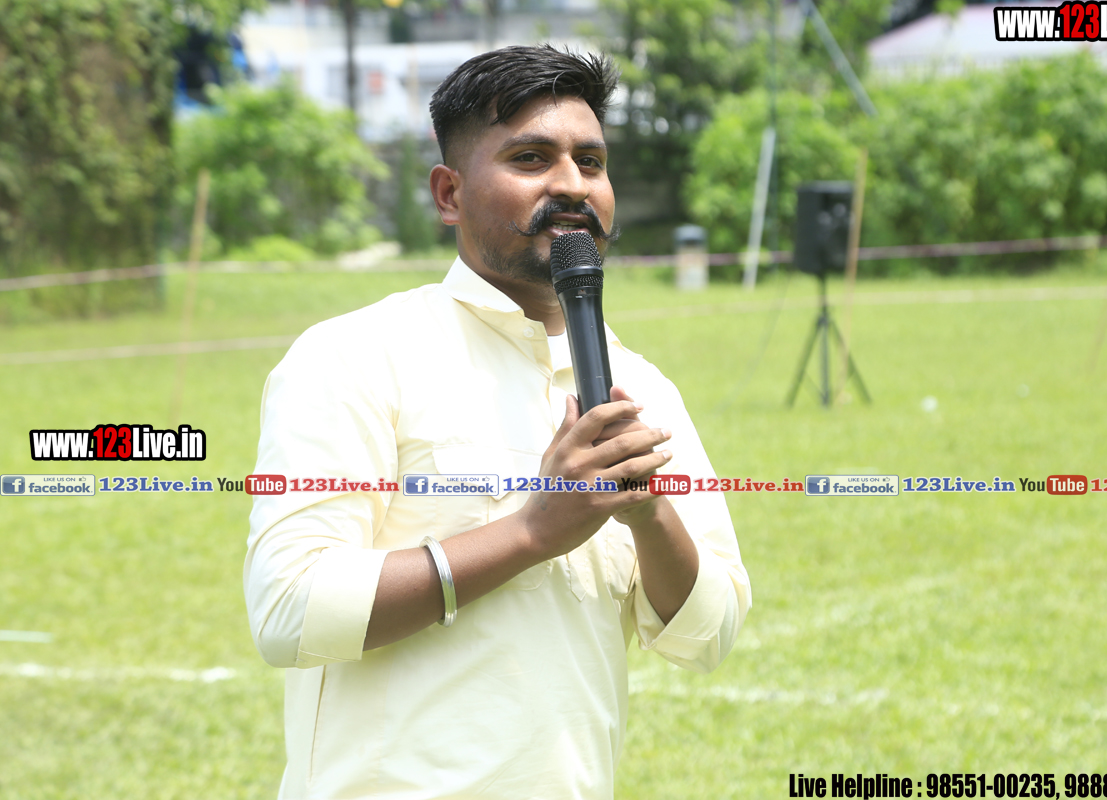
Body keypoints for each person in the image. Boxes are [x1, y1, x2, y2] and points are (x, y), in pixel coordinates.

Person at [243, 44, 751, 800]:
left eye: (590, 161)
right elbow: (290, 610)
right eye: (530, 158)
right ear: (448, 193)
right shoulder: (354, 356)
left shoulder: (644, 389)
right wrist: (532, 533)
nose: (571, 184)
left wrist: (649, 514)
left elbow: (709, 634)